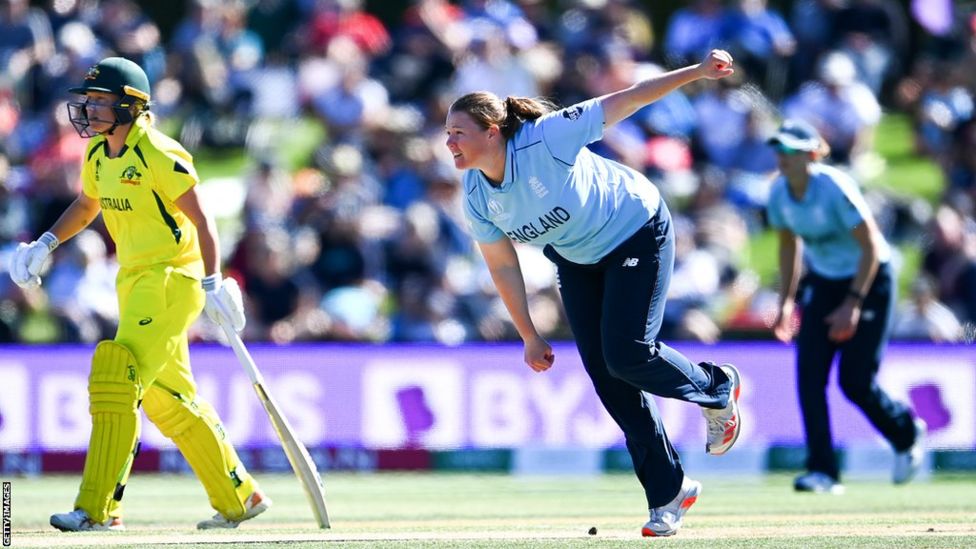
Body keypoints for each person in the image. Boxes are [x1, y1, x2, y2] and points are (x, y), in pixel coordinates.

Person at [445, 49, 743, 538]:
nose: (450, 142)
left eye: (459, 132)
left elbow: (628, 99)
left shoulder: (544, 137)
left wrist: (696, 72)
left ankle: (716, 386)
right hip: (577, 257)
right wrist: (529, 335)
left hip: (636, 228)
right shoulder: (477, 194)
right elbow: (502, 264)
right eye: (447, 134)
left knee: (627, 354)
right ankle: (669, 492)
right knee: (609, 377)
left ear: (491, 132)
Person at [8, 57, 269, 531]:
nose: (88, 110)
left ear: (131, 106)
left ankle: (97, 509)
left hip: (173, 276)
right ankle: (239, 497)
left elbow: (203, 219)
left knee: (116, 376)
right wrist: (46, 242)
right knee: (167, 399)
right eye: (87, 101)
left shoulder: (157, 151)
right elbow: (88, 204)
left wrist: (212, 281)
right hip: (132, 278)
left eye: (100, 102)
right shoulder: (96, 153)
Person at [766, 119, 927, 494]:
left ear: (812, 154)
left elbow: (870, 246)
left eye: (790, 151)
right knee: (809, 377)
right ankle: (823, 471)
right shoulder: (779, 193)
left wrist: (852, 304)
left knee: (854, 381)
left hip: (869, 279)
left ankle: (904, 431)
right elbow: (789, 246)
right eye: (778, 150)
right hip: (824, 281)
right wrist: (786, 301)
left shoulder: (833, 187)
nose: (782, 158)